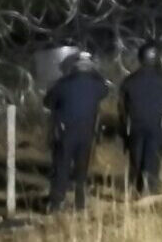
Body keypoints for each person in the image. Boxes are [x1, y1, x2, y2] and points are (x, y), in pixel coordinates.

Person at [44, 51, 111, 211]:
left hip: (65, 130)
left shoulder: (63, 84)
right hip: (87, 131)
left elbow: (48, 102)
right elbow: (105, 90)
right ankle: (80, 203)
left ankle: (56, 203)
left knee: (62, 165)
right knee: (82, 168)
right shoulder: (97, 85)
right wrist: (95, 72)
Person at [120, 41, 162, 194]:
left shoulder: (129, 81)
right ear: (157, 58)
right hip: (157, 124)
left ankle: (135, 187)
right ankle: (150, 187)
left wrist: (124, 128)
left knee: (136, 157)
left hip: (134, 124)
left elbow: (122, 107)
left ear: (140, 58)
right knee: (152, 157)